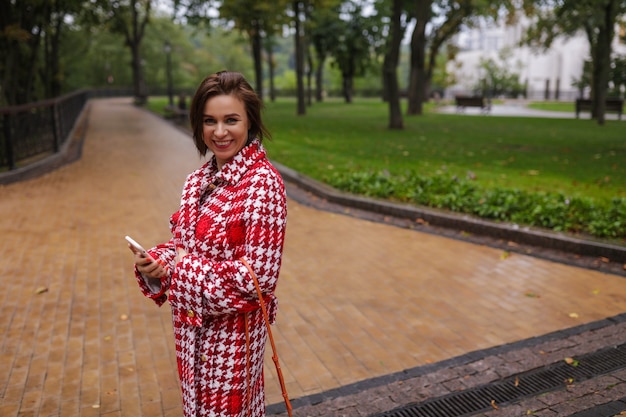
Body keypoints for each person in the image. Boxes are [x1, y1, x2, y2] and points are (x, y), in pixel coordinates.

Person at [129, 71, 288, 417]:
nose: (219, 132)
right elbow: (183, 244)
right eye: (209, 121)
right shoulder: (196, 181)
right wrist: (157, 261)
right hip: (190, 340)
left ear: (250, 122)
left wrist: (181, 267)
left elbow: (256, 283)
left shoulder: (263, 185)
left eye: (231, 120)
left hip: (233, 347)